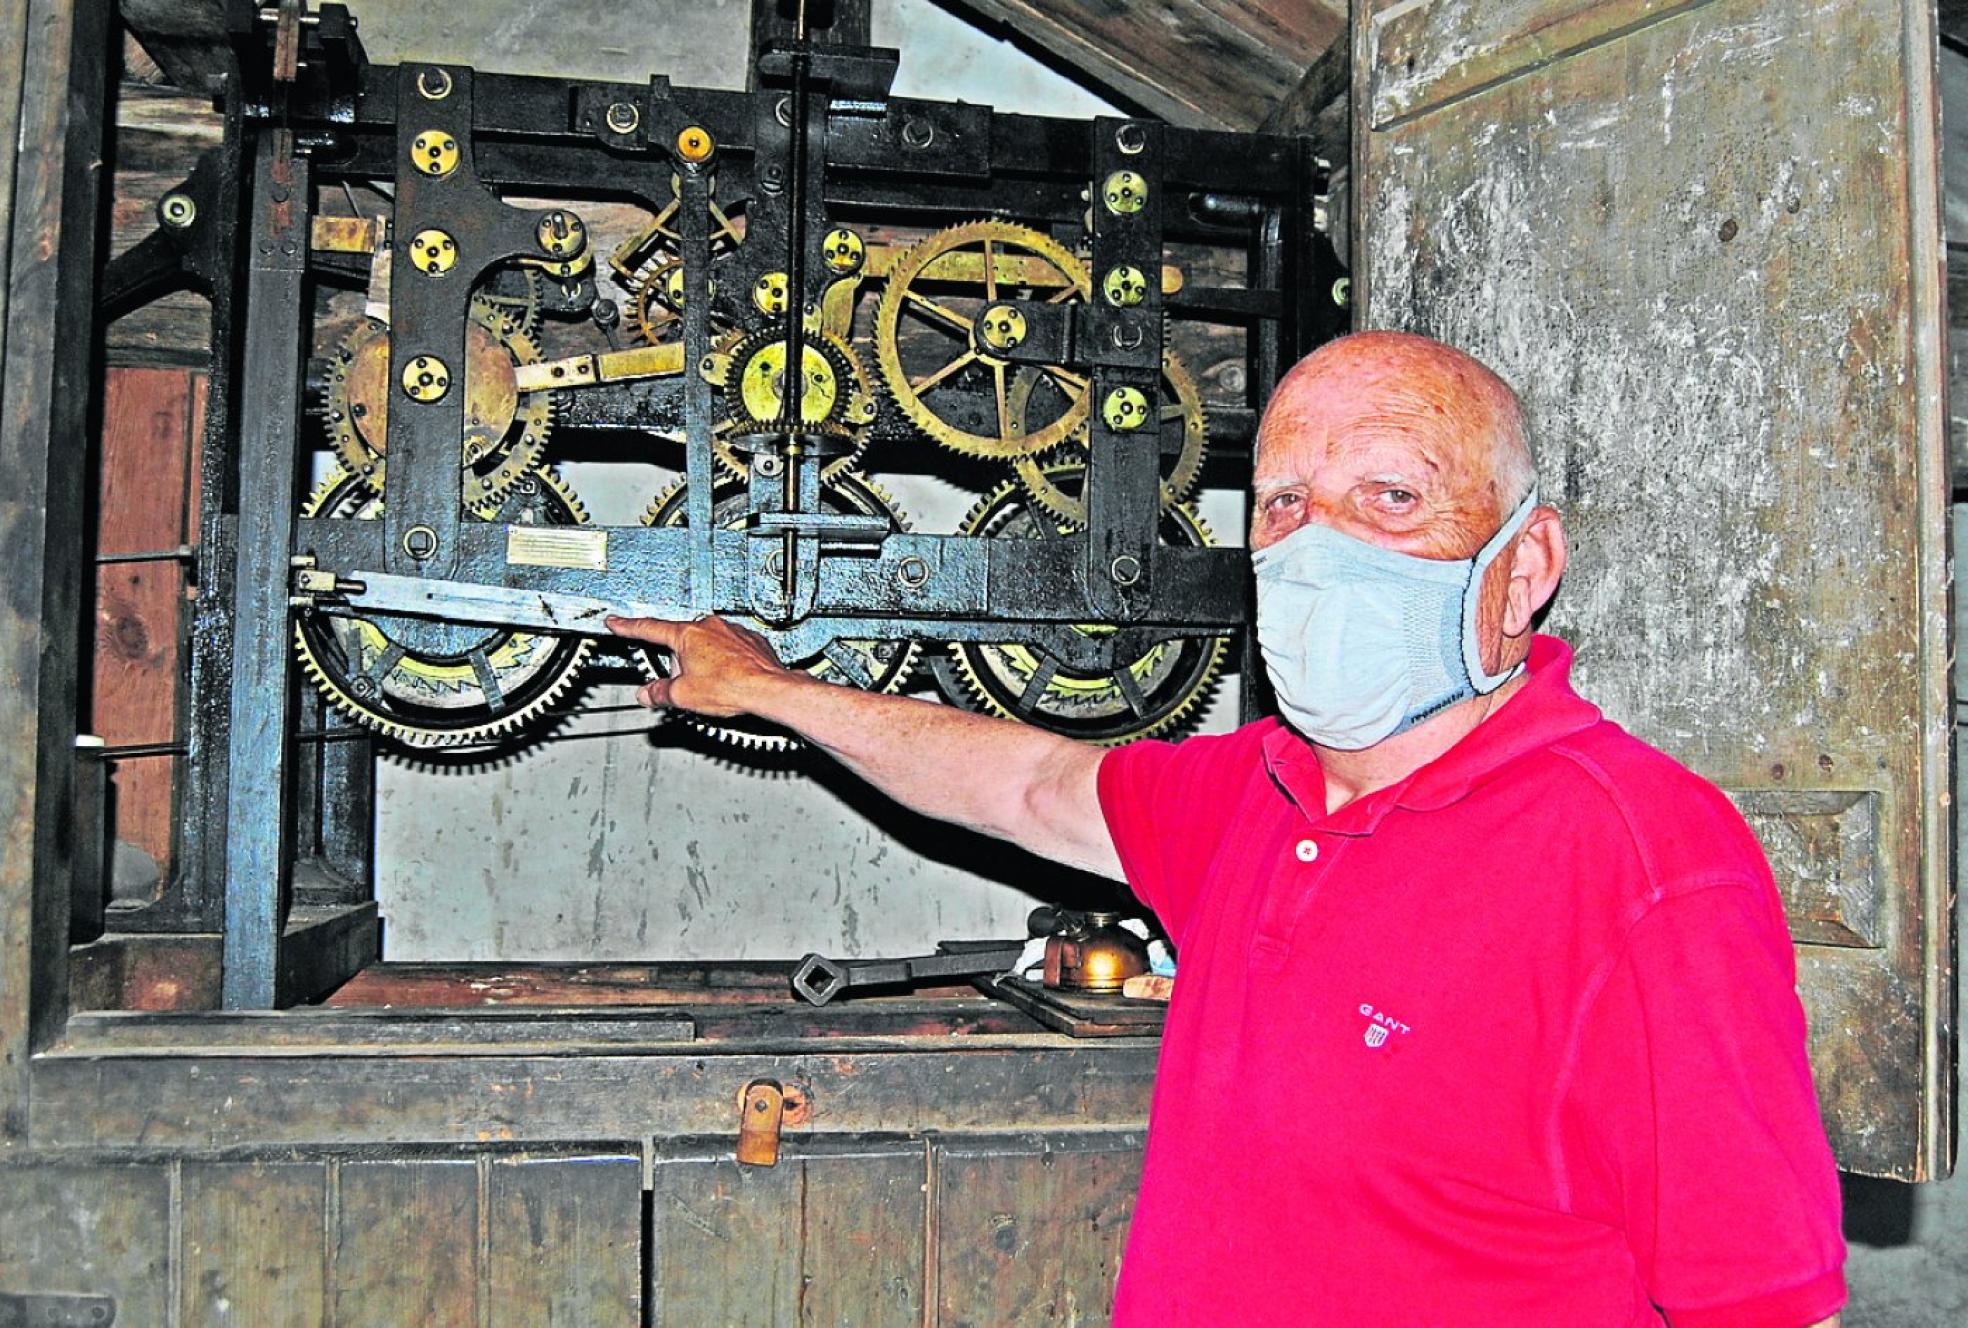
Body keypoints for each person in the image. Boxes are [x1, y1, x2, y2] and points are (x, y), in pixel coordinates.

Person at [608, 331, 1846, 1326]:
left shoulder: (1646, 867)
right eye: (1284, 504)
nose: (1321, 548)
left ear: (1524, 569)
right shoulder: (1255, 794)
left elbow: (1765, 1305)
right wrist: (766, 687)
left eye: (1393, 495)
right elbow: (1030, 781)